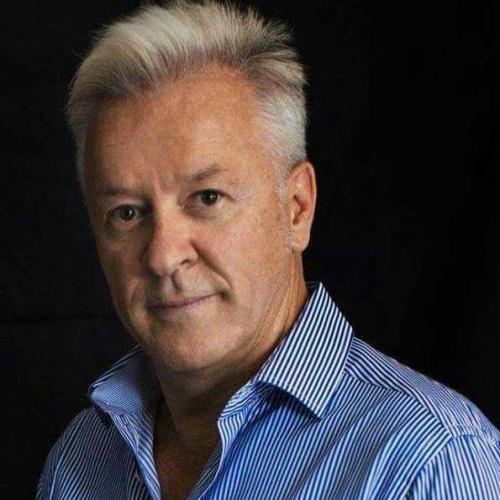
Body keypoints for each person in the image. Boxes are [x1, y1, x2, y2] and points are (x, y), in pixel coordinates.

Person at [37, 1, 499, 498]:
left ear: (297, 208)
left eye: (207, 198)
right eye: (127, 213)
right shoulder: (82, 458)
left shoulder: (428, 460)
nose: (163, 257)